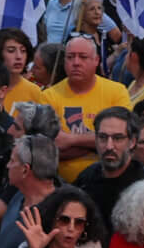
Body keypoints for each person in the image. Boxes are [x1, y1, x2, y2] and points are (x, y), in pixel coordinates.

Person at [44, 37, 132, 181]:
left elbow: (123, 138)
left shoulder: (117, 92)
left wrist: (70, 140)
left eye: (83, 57)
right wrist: (98, 146)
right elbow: (50, 149)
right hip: (63, 186)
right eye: (70, 57)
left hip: (109, 181)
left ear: (96, 60)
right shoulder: (48, 96)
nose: (76, 63)